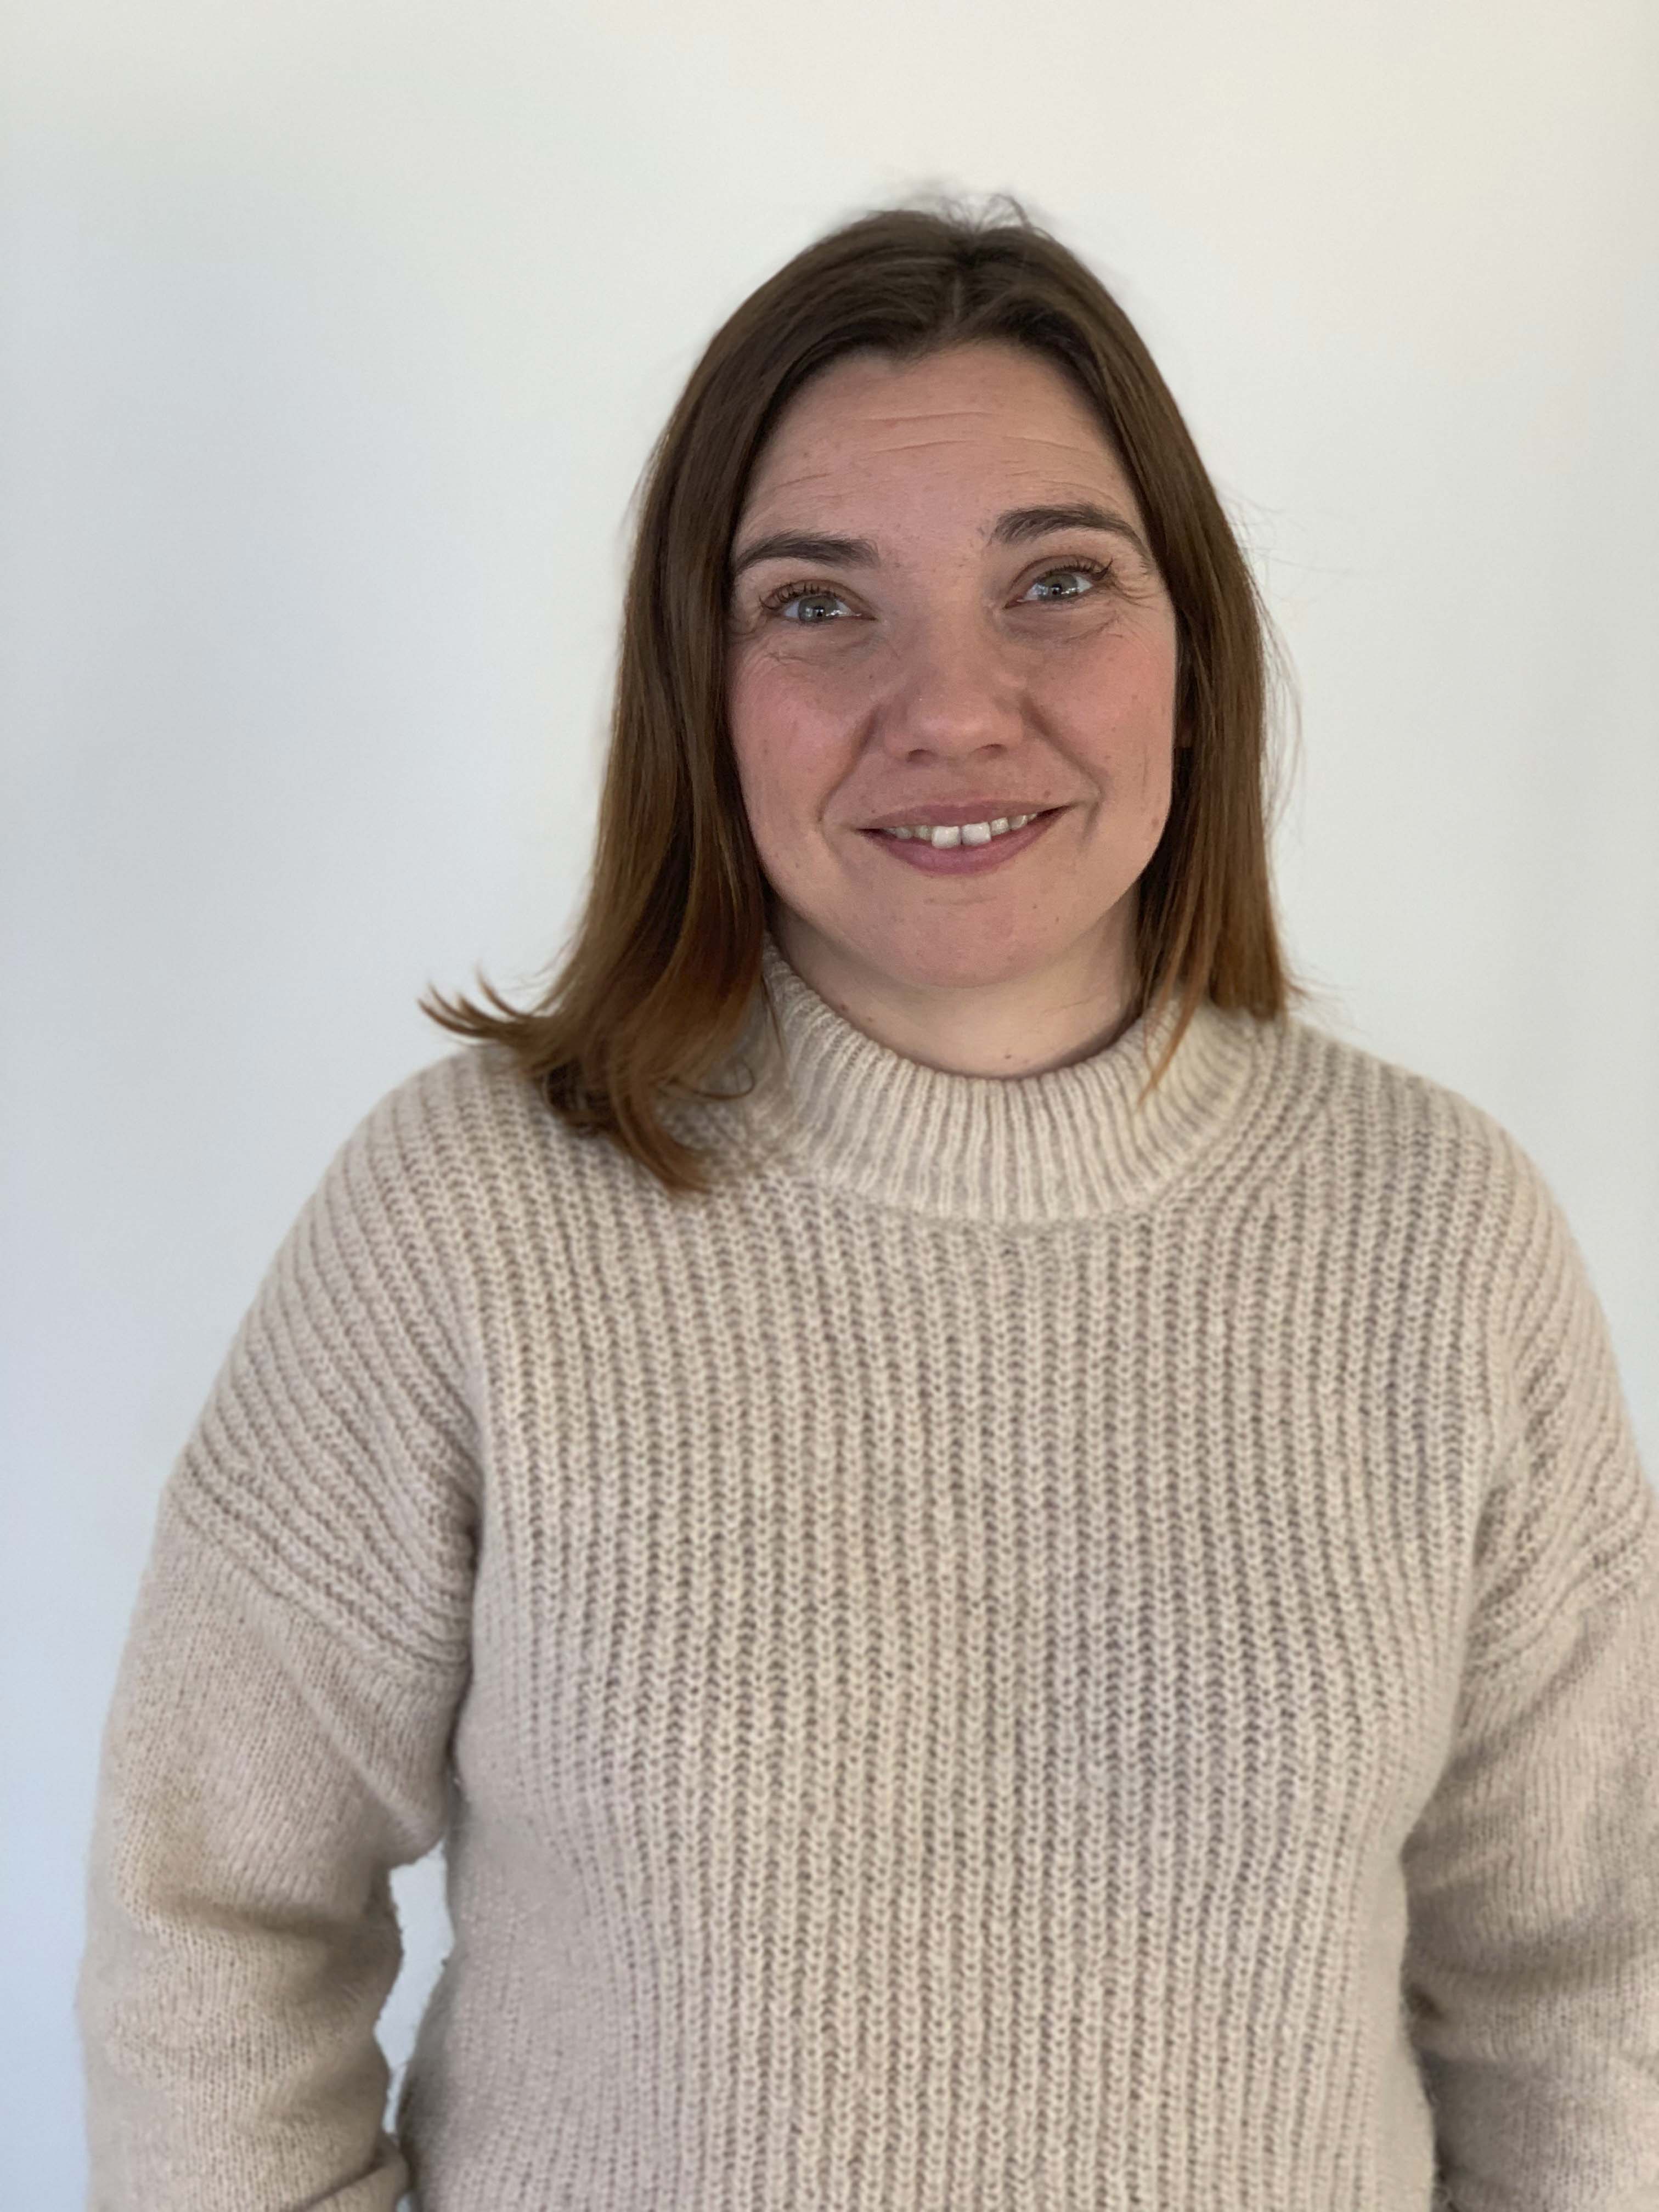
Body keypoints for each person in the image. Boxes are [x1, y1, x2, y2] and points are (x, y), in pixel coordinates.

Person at [76, 197, 1659, 2210]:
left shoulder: (1441, 1241)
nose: (953, 706)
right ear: (700, 684)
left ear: (1194, 651)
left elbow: (1587, 1988)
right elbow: (213, 1923)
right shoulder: (466, 1218)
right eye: (819, 605)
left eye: (1058, 582)